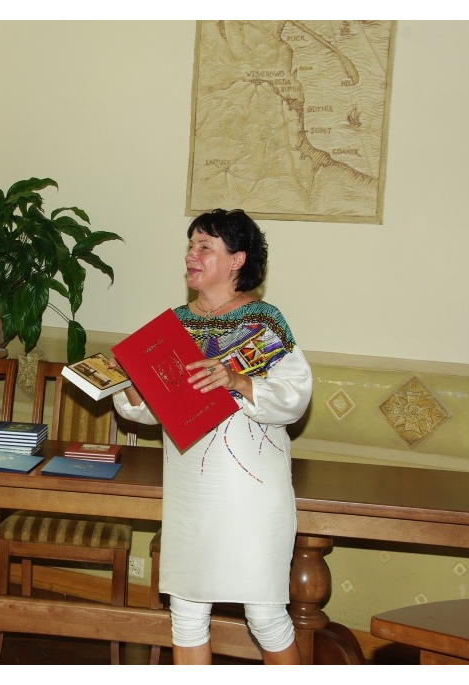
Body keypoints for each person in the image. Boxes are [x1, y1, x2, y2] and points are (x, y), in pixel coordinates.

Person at [111, 208, 312, 665]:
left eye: (205, 247)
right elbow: (152, 409)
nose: (191, 255)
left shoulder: (264, 321)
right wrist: (130, 388)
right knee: (186, 611)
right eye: (190, 245)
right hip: (191, 488)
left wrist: (238, 380)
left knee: (265, 613)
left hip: (252, 490)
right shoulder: (173, 324)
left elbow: (295, 397)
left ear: (237, 259)